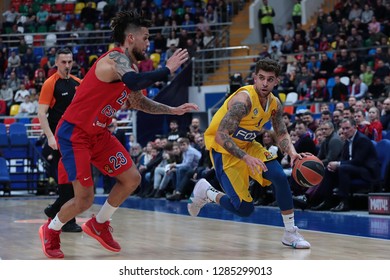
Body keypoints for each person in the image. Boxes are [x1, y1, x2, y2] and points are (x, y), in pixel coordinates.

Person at [38, 10, 199, 259]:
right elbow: (135, 82)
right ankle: (51, 229)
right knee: (84, 200)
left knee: (132, 178)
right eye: (146, 37)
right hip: (75, 134)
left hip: (99, 134)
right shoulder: (115, 60)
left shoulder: (128, 69)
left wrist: (173, 110)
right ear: (131, 37)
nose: (149, 42)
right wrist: (167, 69)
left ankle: (99, 224)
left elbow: (139, 101)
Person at [187, 58, 310, 249]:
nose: (264, 83)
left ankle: (290, 233)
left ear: (276, 81)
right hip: (224, 150)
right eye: (261, 78)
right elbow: (221, 136)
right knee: (245, 209)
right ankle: (207, 192)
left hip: (248, 145)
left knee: (279, 176)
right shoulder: (242, 101)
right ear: (254, 78)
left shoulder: (275, 103)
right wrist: (246, 158)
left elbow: (281, 132)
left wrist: (292, 152)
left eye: (270, 79)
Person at [38, 48, 83, 233]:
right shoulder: (50, 84)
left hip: (75, 140)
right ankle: (67, 220)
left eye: (69, 61)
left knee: (74, 180)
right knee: (66, 181)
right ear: (56, 63)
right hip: (57, 140)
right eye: (63, 62)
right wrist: (50, 137)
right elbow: (41, 113)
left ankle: (55, 208)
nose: (67, 65)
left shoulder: (78, 83)